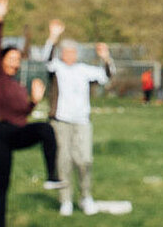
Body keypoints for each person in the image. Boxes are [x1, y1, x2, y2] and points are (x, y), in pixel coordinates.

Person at [0, 0, 63, 227]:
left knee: (45, 129)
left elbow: (21, 114)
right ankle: (0, 224)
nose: (16, 63)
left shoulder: (17, 87)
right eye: (12, 58)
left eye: (18, 59)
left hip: (16, 132)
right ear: (2, 60)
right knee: (2, 185)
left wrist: (34, 102)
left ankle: (52, 176)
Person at [42, 20, 116, 216]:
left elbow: (107, 75)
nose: (70, 56)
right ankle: (65, 200)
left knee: (84, 160)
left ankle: (85, 196)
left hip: (82, 121)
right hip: (60, 121)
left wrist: (106, 57)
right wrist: (53, 36)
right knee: (63, 161)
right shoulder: (57, 67)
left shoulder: (83, 70)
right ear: (62, 54)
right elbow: (46, 58)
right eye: (67, 52)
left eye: (73, 52)